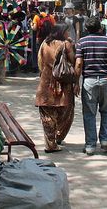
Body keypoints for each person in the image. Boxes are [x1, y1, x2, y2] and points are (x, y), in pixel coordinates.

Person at [75, 16, 107, 156]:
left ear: (86, 29)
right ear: (100, 28)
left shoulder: (82, 42)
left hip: (89, 81)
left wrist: (76, 82)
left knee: (89, 113)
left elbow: (78, 64)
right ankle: (105, 140)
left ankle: (90, 145)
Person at [35, 24, 76, 153]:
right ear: (61, 32)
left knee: (47, 112)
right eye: (67, 31)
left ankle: (50, 143)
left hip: (46, 82)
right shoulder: (66, 44)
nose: (68, 34)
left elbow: (40, 63)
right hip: (62, 82)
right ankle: (58, 137)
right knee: (65, 111)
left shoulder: (44, 44)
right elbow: (73, 61)